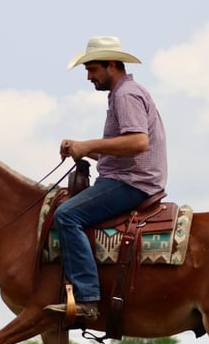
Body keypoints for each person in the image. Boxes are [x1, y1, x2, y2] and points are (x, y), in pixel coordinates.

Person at [44, 36, 168, 320]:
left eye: (92, 69)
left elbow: (138, 142)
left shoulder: (126, 95)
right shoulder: (126, 93)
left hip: (132, 183)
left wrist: (88, 146)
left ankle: (87, 298)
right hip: (132, 176)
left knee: (66, 216)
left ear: (111, 65)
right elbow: (127, 150)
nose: (88, 77)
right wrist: (84, 151)